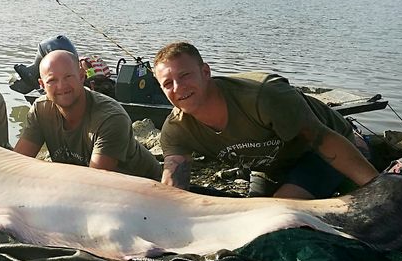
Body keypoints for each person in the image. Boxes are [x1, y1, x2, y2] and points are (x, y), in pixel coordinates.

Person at [153, 42, 378, 199]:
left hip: (319, 152)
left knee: (283, 208)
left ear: (205, 72)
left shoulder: (263, 96)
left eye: (185, 76)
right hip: (270, 166)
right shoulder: (175, 130)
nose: (178, 88)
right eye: (168, 83)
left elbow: (324, 140)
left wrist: (378, 188)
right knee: (257, 210)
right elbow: (173, 185)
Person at [13, 49, 162, 180]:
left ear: (81, 76)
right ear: (42, 85)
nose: (61, 86)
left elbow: (95, 183)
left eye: (68, 77)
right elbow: (16, 164)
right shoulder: (40, 109)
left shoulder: (110, 118)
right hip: (88, 184)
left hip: (142, 187)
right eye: (52, 80)